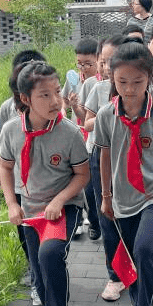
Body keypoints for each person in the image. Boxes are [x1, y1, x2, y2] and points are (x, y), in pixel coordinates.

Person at [0, 61, 90, 306]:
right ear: (25, 99)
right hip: (30, 209)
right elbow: (6, 167)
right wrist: (12, 204)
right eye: (45, 95)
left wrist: (60, 200)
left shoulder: (70, 133)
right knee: (38, 270)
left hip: (64, 208)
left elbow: (83, 175)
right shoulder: (11, 130)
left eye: (57, 92)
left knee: (50, 255)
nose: (55, 101)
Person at [93, 42, 153, 306]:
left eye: (137, 82)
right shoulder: (105, 115)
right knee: (134, 257)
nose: (129, 88)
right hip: (123, 198)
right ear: (112, 78)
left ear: (149, 78)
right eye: (122, 81)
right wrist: (105, 196)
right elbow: (105, 156)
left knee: (144, 247)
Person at [0, 49, 47, 306]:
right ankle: (36, 276)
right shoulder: (7, 108)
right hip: (19, 183)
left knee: (47, 236)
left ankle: (44, 272)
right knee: (26, 234)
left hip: (47, 183)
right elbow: (0, 144)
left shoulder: (49, 103)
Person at [84, 35, 128, 301]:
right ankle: (115, 276)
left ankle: (135, 268)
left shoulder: (141, 87)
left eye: (115, 61)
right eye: (106, 61)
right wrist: (105, 120)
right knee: (107, 215)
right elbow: (87, 122)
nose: (109, 67)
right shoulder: (98, 89)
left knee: (133, 219)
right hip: (101, 154)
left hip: (132, 155)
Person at [63, 38, 100, 237]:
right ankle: (81, 219)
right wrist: (67, 106)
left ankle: (94, 218)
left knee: (91, 182)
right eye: (80, 63)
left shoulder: (100, 83)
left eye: (88, 63)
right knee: (78, 179)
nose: (83, 67)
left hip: (92, 136)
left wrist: (77, 108)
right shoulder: (73, 78)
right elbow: (64, 103)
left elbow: (86, 117)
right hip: (76, 136)